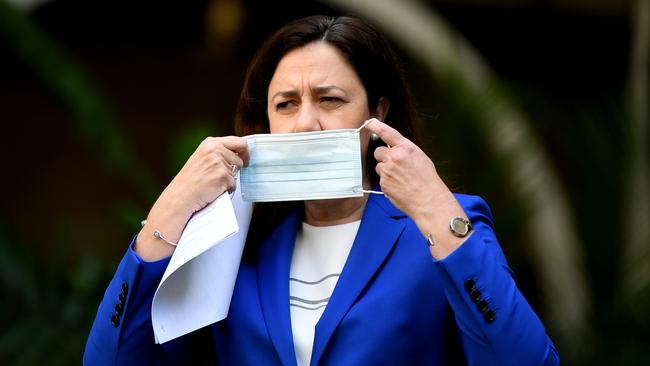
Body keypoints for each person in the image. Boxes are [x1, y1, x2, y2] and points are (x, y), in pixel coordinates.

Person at [84, 15, 559, 365]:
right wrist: (170, 209)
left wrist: (436, 207)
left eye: (330, 100)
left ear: (378, 114)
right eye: (285, 104)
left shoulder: (442, 226)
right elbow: (109, 360)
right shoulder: (232, 242)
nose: (305, 123)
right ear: (265, 123)